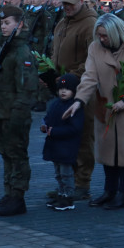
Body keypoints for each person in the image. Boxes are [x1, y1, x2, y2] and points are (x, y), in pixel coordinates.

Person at [66, 13, 124, 209]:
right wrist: (79, 101)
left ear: (116, 33)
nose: (101, 39)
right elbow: (89, 76)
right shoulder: (95, 48)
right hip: (105, 107)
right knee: (108, 153)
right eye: (99, 35)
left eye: (105, 36)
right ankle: (109, 191)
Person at [0, 5, 36, 216]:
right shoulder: (4, 47)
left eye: (7, 23)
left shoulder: (22, 52)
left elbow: (26, 89)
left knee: (17, 155)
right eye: (1, 23)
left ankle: (18, 197)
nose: (3, 27)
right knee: (6, 154)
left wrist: (17, 116)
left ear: (19, 25)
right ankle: (9, 192)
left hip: (13, 114)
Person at [49, 0, 99, 200]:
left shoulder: (90, 24)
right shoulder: (62, 23)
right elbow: (54, 52)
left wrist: (70, 78)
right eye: (64, 3)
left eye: (70, 3)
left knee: (83, 135)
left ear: (81, 1)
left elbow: (92, 58)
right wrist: (50, 75)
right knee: (64, 135)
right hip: (62, 88)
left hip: (81, 88)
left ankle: (82, 183)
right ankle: (67, 183)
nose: (66, 7)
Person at [41, 73, 85, 211]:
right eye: (61, 89)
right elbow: (49, 118)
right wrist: (45, 126)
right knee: (58, 173)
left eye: (67, 89)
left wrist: (54, 131)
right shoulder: (55, 104)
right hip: (55, 146)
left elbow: (75, 128)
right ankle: (61, 193)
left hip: (67, 147)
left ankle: (68, 197)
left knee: (66, 173)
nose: (63, 91)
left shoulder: (74, 107)